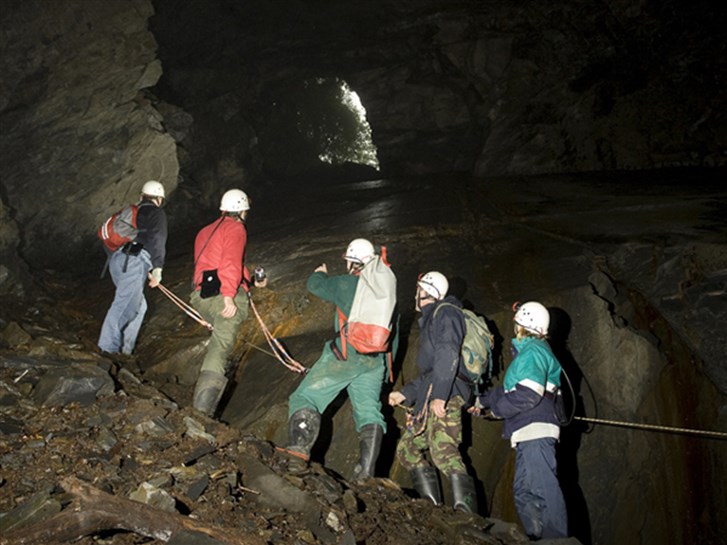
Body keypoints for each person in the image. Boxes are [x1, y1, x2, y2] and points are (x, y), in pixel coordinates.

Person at [285, 238, 398, 480]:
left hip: (346, 354)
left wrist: (319, 273)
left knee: (305, 397)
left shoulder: (346, 283)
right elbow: (393, 338)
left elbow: (314, 285)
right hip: (375, 362)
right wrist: (388, 372)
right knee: (369, 412)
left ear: (352, 262)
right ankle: (366, 474)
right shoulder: (386, 294)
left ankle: (298, 453)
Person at [473, 301, 568, 539]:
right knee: (524, 491)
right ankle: (537, 538)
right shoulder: (530, 353)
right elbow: (509, 391)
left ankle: (555, 539)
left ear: (522, 324)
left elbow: (527, 395)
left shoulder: (533, 351)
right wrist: (481, 401)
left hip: (536, 428)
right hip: (528, 431)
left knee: (542, 487)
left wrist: (496, 412)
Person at [388, 271, 478, 513]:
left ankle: (467, 513)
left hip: (447, 394)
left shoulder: (446, 312)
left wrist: (440, 395)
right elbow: (429, 373)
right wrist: (405, 394)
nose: (415, 294)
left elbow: (448, 353)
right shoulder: (430, 320)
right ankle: (433, 507)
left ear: (427, 291)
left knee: (442, 451)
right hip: (433, 392)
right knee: (407, 449)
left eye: (418, 290)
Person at [190, 188, 267, 417]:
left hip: (200, 295)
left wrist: (251, 282)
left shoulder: (205, 231)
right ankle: (201, 414)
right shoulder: (236, 228)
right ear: (242, 210)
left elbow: (214, 264)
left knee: (219, 338)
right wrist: (228, 296)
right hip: (220, 295)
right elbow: (230, 263)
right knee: (222, 342)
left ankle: (201, 406)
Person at [98, 180, 167, 356]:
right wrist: (157, 267)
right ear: (159, 199)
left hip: (118, 260)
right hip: (134, 261)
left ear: (141, 196)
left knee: (139, 306)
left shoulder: (131, 213)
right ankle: (107, 348)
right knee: (125, 305)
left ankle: (124, 350)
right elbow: (157, 238)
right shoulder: (155, 212)